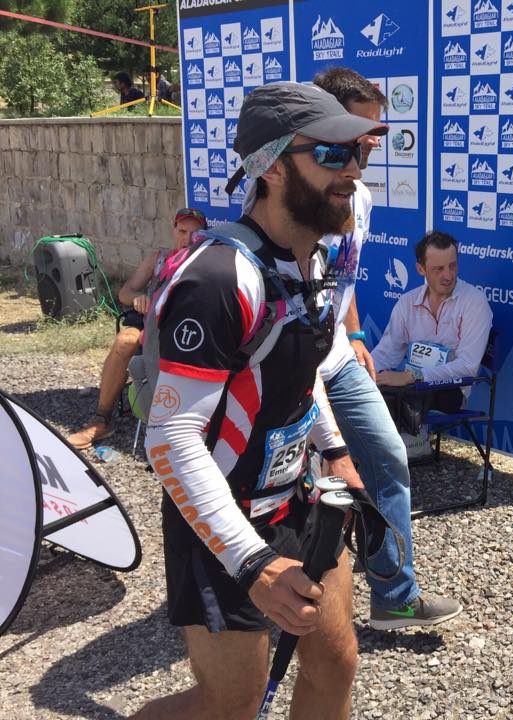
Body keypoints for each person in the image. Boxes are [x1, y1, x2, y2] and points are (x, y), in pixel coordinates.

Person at [131, 81, 388, 720]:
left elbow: (300, 377)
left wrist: (335, 451)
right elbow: (170, 437)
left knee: (336, 660)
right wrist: (254, 565)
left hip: (297, 497)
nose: (353, 171)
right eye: (332, 154)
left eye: (359, 152)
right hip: (223, 519)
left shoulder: (312, 260)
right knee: (231, 703)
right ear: (270, 167)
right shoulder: (219, 279)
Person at [311, 67, 464, 631]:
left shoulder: (362, 196)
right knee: (301, 480)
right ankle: (280, 594)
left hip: (337, 356)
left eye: (375, 133)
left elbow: (344, 277)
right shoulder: (298, 198)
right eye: (360, 132)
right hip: (290, 363)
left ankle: (394, 597)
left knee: (387, 458)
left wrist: (353, 336)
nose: (371, 145)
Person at [67, 208, 207, 449]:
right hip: (149, 322)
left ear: (203, 235)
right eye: (182, 231)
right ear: (174, 231)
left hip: (184, 328)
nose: (187, 239)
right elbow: (125, 292)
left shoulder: (207, 262)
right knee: (125, 341)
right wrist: (137, 298)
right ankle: (101, 419)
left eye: (194, 233)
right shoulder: (158, 258)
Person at [371, 232, 493, 413]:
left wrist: (414, 376)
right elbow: (386, 352)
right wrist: (364, 375)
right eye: (439, 269)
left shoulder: (474, 302)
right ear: (421, 269)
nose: (448, 275)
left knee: (398, 400)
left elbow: (467, 367)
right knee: (371, 393)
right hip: (411, 386)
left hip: (449, 390)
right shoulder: (407, 302)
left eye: (452, 266)